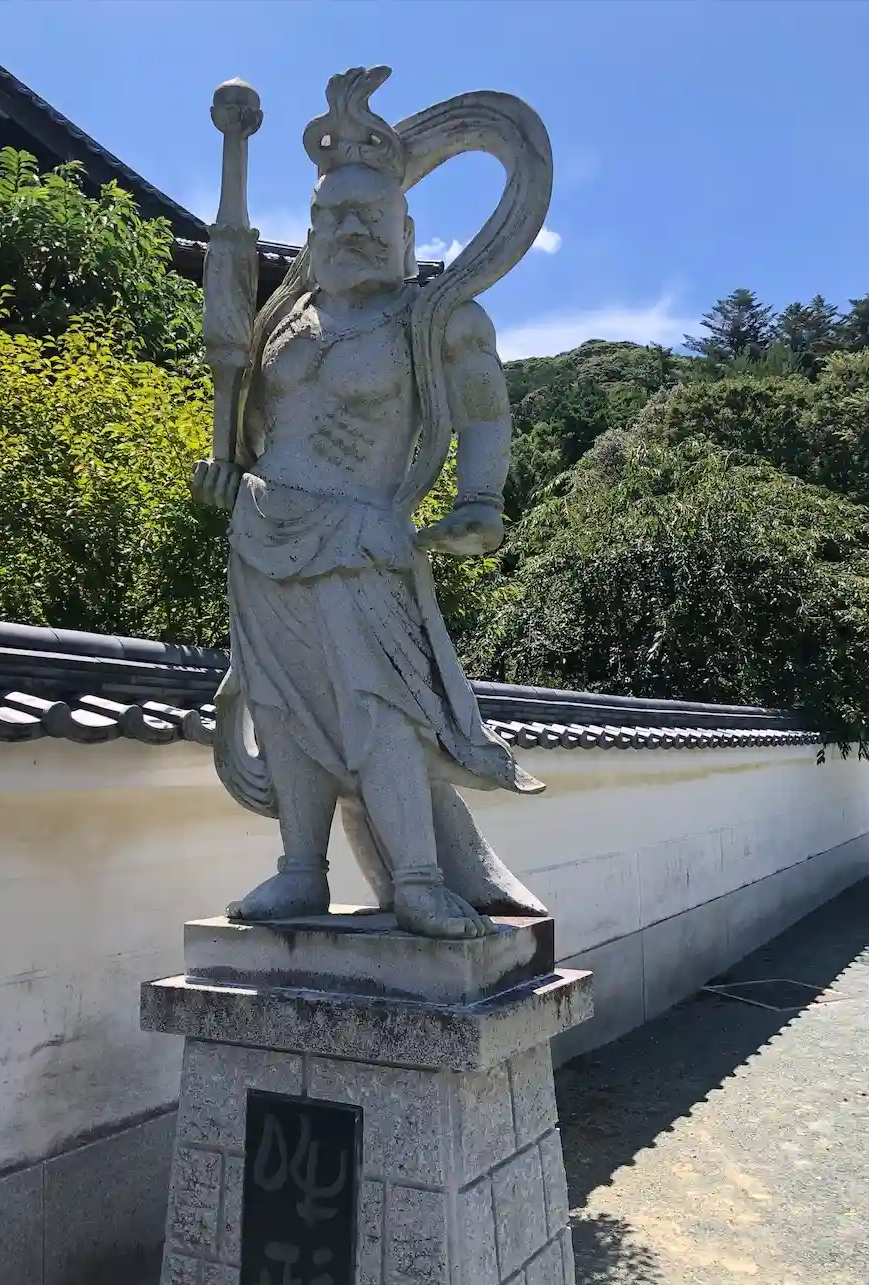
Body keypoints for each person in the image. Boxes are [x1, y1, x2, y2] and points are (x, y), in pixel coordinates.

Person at [194, 68, 547, 939]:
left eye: (369, 216)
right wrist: (223, 468)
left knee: (378, 703)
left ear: (405, 230)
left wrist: (479, 498)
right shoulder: (284, 321)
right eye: (332, 216)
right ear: (311, 230)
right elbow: (245, 419)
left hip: (362, 532)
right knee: (283, 703)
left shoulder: (434, 318)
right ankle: (299, 869)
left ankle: (418, 879)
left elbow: (484, 410)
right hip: (263, 526)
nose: (349, 230)